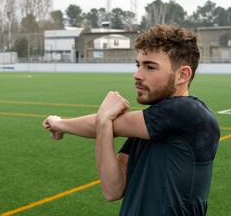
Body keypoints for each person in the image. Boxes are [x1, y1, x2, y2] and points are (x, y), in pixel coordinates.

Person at [43, 24, 220, 216]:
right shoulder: (150, 125)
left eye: (150, 67)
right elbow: (112, 190)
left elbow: (111, 124)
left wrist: (60, 123)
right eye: (138, 65)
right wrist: (103, 121)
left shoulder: (188, 111)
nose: (137, 75)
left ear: (183, 75)